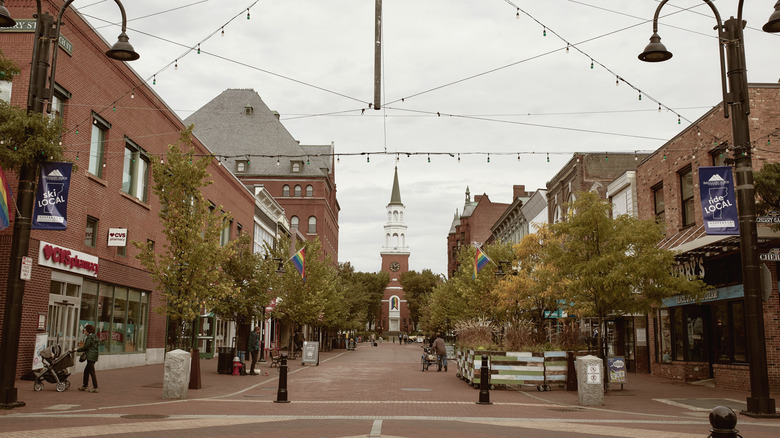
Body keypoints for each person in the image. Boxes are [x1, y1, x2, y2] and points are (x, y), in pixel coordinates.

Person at [77, 324, 99, 392]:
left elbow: (85, 347)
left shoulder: (89, 338)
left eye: (85, 330)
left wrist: (77, 349)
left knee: (92, 372)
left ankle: (95, 387)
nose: (84, 332)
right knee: (86, 371)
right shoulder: (95, 337)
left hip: (90, 356)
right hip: (94, 356)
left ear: (88, 331)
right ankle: (85, 385)